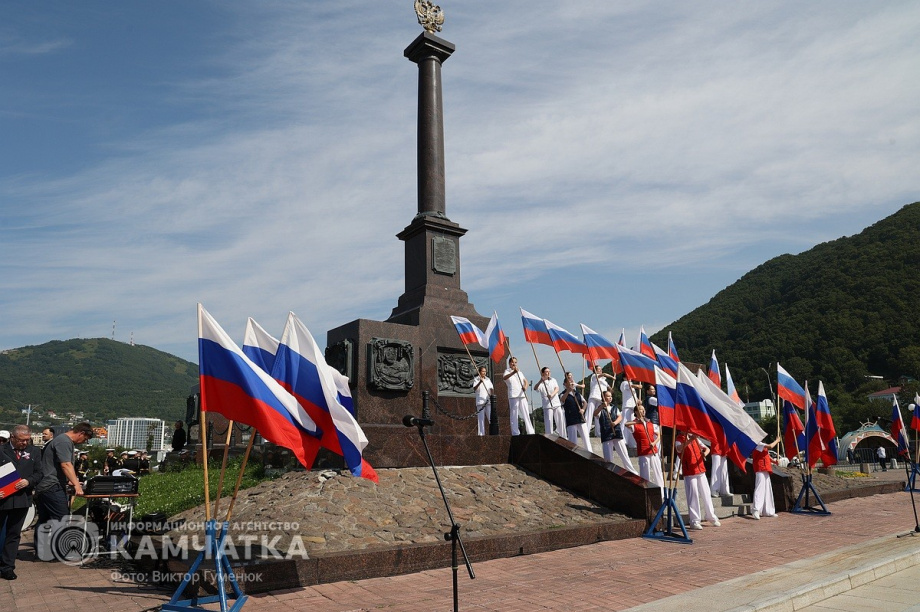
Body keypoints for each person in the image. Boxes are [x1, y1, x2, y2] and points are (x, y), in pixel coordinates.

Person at [0, 425, 43, 580]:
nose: (25, 443)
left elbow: (39, 473)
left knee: (14, 534)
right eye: (22, 440)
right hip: (2, 498)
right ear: (13, 437)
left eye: (27, 440)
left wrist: (28, 481)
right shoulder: (1, 450)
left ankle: (7, 567)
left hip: (21, 499)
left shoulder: (34, 452)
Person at [35, 422, 94, 531]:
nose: (84, 442)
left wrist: (70, 481)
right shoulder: (64, 441)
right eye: (85, 439)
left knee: (45, 521)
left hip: (46, 486)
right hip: (52, 486)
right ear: (81, 433)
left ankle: (42, 547)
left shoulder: (63, 440)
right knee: (62, 520)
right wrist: (77, 485)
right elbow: (66, 465)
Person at [675, 431, 721, 530]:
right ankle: (694, 520)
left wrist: (704, 453)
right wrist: (690, 440)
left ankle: (711, 516)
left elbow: (707, 449)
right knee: (693, 496)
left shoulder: (695, 438)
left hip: (700, 469)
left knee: (706, 493)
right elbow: (679, 449)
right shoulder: (679, 439)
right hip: (690, 471)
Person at [626, 404, 664, 496]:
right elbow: (626, 424)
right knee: (645, 474)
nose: (642, 411)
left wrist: (654, 443)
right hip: (643, 452)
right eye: (640, 410)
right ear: (636, 412)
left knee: (657, 472)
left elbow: (659, 435)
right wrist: (638, 422)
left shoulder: (650, 423)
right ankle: (646, 494)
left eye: (643, 410)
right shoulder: (634, 424)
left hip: (653, 451)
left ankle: (662, 493)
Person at [596, 390, 638, 474]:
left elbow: (620, 417)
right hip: (607, 434)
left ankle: (631, 471)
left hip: (617, 432)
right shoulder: (600, 408)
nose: (610, 398)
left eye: (610, 396)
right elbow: (595, 414)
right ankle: (610, 472)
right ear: (603, 397)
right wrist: (601, 406)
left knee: (624, 454)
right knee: (608, 457)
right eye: (608, 396)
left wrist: (615, 423)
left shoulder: (614, 407)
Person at [502, 357, 535, 435]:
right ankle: (515, 432)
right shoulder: (507, 371)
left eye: (515, 362)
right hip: (513, 395)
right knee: (514, 414)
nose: (514, 364)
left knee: (526, 413)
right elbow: (504, 378)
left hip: (522, 395)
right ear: (509, 363)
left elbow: (525, 381)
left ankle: (530, 431)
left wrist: (525, 387)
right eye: (512, 362)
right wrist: (513, 372)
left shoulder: (520, 372)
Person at [751, 438, 780, 520]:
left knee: (767, 490)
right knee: (759, 489)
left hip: (766, 469)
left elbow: (767, 455)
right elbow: (770, 446)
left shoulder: (763, 446)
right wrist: (777, 440)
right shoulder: (758, 444)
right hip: (760, 468)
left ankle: (768, 511)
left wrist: (774, 461)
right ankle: (756, 510)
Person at [560, 372, 590, 451]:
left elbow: (585, 402)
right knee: (573, 440)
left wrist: (583, 409)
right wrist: (568, 391)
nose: (571, 384)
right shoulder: (562, 394)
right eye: (569, 382)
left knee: (586, 438)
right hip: (571, 419)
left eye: (572, 382)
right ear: (565, 384)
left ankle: (590, 452)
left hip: (580, 418)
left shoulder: (577, 394)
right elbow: (562, 400)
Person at [534, 367, 565, 436]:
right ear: (543, 373)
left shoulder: (553, 380)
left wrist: (551, 394)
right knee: (549, 422)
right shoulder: (541, 383)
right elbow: (535, 388)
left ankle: (563, 436)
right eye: (546, 371)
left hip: (556, 403)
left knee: (560, 420)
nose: (548, 373)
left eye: (549, 371)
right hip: (547, 405)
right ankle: (549, 436)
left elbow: (557, 389)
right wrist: (540, 381)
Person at [586, 365, 615, 436]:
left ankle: (598, 433)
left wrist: (611, 389)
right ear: (595, 371)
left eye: (601, 369)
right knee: (589, 414)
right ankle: (586, 431)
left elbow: (610, 389)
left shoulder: (604, 381)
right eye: (599, 369)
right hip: (593, 396)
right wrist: (611, 377)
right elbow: (604, 374)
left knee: (598, 416)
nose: (601, 370)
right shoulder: (594, 376)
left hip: (601, 399)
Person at [472, 366, 494, 436]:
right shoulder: (476, 379)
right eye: (483, 371)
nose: (484, 373)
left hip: (488, 401)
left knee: (491, 418)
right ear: (479, 372)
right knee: (481, 419)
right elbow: (475, 389)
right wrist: (480, 382)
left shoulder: (488, 379)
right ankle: (481, 434)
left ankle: (493, 432)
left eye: (485, 371)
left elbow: (491, 389)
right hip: (480, 402)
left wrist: (491, 395)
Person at [620, 378, 641, 449]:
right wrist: (637, 386)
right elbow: (630, 386)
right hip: (627, 406)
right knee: (624, 423)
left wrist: (638, 401)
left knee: (632, 425)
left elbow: (635, 397)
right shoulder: (624, 383)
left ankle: (632, 443)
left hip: (633, 407)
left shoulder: (631, 385)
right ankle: (622, 440)